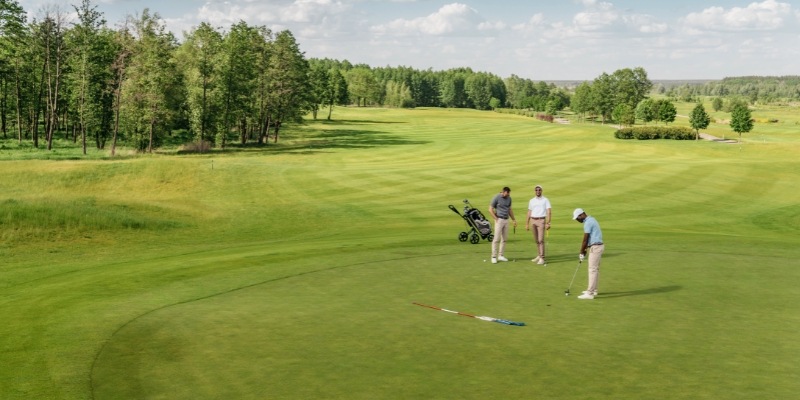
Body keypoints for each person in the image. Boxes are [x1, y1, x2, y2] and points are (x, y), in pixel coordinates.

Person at [572, 208, 604, 299]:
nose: (577, 220)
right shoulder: (592, 219)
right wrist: (585, 251)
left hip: (596, 247)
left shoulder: (588, 223)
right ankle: (594, 290)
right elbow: (588, 240)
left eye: (577, 218)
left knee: (592, 270)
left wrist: (581, 252)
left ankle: (590, 293)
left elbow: (585, 239)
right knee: (595, 269)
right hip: (597, 246)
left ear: (581, 215)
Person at [488, 187, 517, 264]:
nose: (508, 195)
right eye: (507, 193)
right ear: (504, 192)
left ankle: (501, 255)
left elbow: (509, 209)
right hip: (499, 220)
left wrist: (513, 219)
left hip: (506, 220)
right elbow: (490, 209)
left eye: (509, 194)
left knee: (504, 239)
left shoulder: (509, 199)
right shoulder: (497, 197)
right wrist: (496, 218)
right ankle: (494, 256)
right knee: (496, 239)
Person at [525, 185, 552, 265]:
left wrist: (548, 222)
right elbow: (529, 212)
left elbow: (549, 211)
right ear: (535, 191)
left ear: (541, 191)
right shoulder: (532, 201)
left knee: (541, 240)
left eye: (539, 190)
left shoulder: (545, 200)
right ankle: (539, 255)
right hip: (533, 220)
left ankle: (542, 258)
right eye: (536, 190)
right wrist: (527, 223)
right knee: (536, 240)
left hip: (541, 220)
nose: (538, 191)